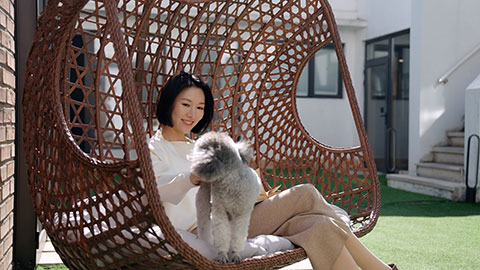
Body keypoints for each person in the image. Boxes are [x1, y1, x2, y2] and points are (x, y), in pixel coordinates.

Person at [148, 71, 397, 270]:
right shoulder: (154, 148)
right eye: (186, 104)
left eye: (200, 107)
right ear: (170, 103)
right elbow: (161, 190)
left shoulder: (199, 145)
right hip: (207, 229)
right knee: (306, 194)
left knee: (319, 225)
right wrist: (193, 178)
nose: (193, 114)